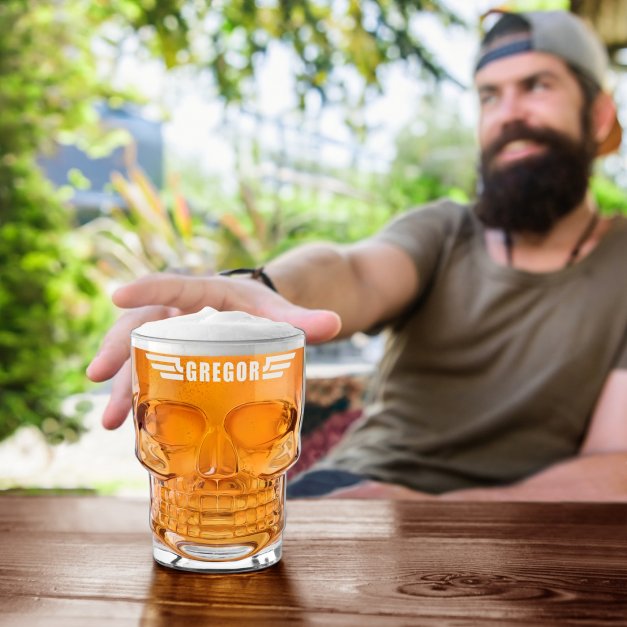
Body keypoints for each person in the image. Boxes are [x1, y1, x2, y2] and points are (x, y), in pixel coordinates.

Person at [87, 10, 627, 502]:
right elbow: (356, 272)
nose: (509, 114)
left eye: (537, 86)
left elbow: (615, 466)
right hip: (349, 495)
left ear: (600, 116)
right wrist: (259, 291)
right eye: (489, 96)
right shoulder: (444, 232)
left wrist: (436, 515)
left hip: (524, 537)